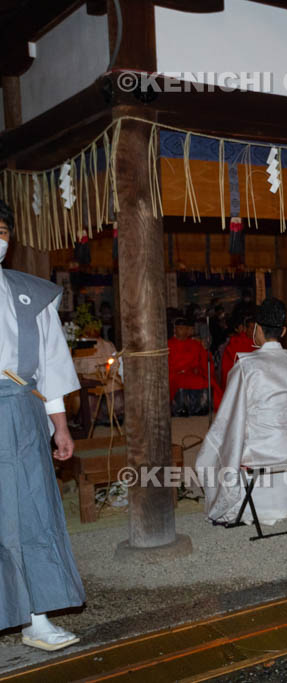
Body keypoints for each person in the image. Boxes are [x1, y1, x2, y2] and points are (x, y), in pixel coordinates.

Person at [0, 199, 86, 651]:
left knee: (31, 514)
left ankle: (37, 617)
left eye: (1, 230)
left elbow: (51, 367)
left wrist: (61, 426)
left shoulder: (30, 295)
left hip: (20, 411)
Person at [196, 297, 287, 525]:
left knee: (215, 447)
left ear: (257, 330)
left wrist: (215, 442)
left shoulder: (246, 366)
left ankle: (240, 501)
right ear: (283, 331)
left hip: (261, 451)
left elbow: (229, 418)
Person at [168, 318, 221, 416]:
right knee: (181, 381)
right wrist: (180, 369)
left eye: (184, 328)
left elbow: (204, 360)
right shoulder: (169, 344)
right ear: (174, 330)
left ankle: (201, 408)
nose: (182, 331)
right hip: (176, 373)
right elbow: (170, 363)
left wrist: (204, 351)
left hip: (192, 373)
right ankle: (180, 409)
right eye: (179, 328)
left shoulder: (195, 344)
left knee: (204, 381)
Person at [220, 309, 256, 386]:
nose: (254, 331)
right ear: (245, 329)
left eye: (255, 328)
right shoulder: (235, 343)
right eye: (251, 328)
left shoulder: (259, 343)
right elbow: (227, 367)